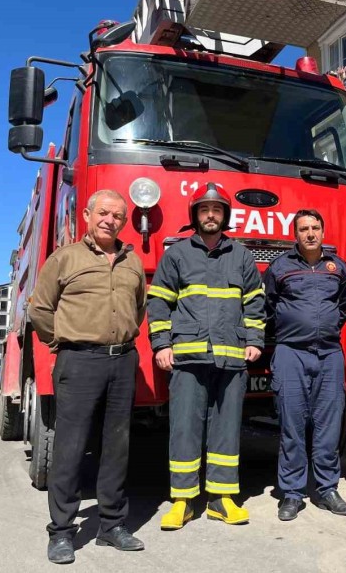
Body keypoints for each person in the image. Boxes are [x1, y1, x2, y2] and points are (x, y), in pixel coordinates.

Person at [29, 189, 147, 564]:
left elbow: (139, 309)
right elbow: (40, 310)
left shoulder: (133, 263)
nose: (110, 220)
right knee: (70, 447)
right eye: (104, 213)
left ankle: (112, 526)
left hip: (122, 361)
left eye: (118, 216)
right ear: (87, 215)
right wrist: (63, 341)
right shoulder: (65, 258)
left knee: (117, 447)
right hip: (78, 361)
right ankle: (62, 532)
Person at [146, 183, 265, 531]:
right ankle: (182, 502)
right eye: (204, 209)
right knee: (184, 429)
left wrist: (255, 339)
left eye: (216, 209)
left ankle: (220, 499)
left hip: (231, 358)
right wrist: (162, 345)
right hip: (187, 358)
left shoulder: (240, 255)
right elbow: (158, 303)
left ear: (224, 215)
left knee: (227, 430)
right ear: (195, 216)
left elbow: (255, 301)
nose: (210, 215)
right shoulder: (178, 254)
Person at [264, 209, 346, 521]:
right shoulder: (280, 267)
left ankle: (328, 489)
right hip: (291, 353)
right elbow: (270, 305)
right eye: (304, 229)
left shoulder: (336, 267)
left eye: (316, 227)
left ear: (323, 231)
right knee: (292, 425)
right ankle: (291, 493)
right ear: (296, 233)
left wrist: (325, 327)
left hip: (329, 354)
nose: (311, 233)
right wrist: (294, 327)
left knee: (329, 426)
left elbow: (344, 306)